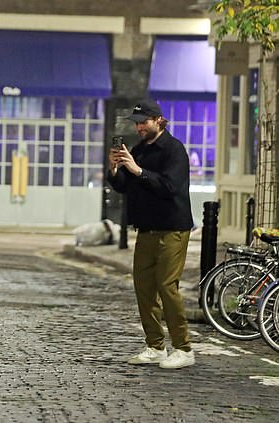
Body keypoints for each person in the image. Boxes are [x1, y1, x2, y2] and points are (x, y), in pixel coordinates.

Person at [107, 99, 195, 369]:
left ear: (159, 120)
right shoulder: (139, 149)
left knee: (167, 287)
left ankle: (183, 348)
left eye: (144, 122)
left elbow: (169, 187)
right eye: (136, 123)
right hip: (145, 229)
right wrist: (115, 169)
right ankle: (155, 345)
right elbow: (125, 187)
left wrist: (138, 170)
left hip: (172, 229)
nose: (139, 127)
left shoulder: (174, 150)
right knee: (144, 287)